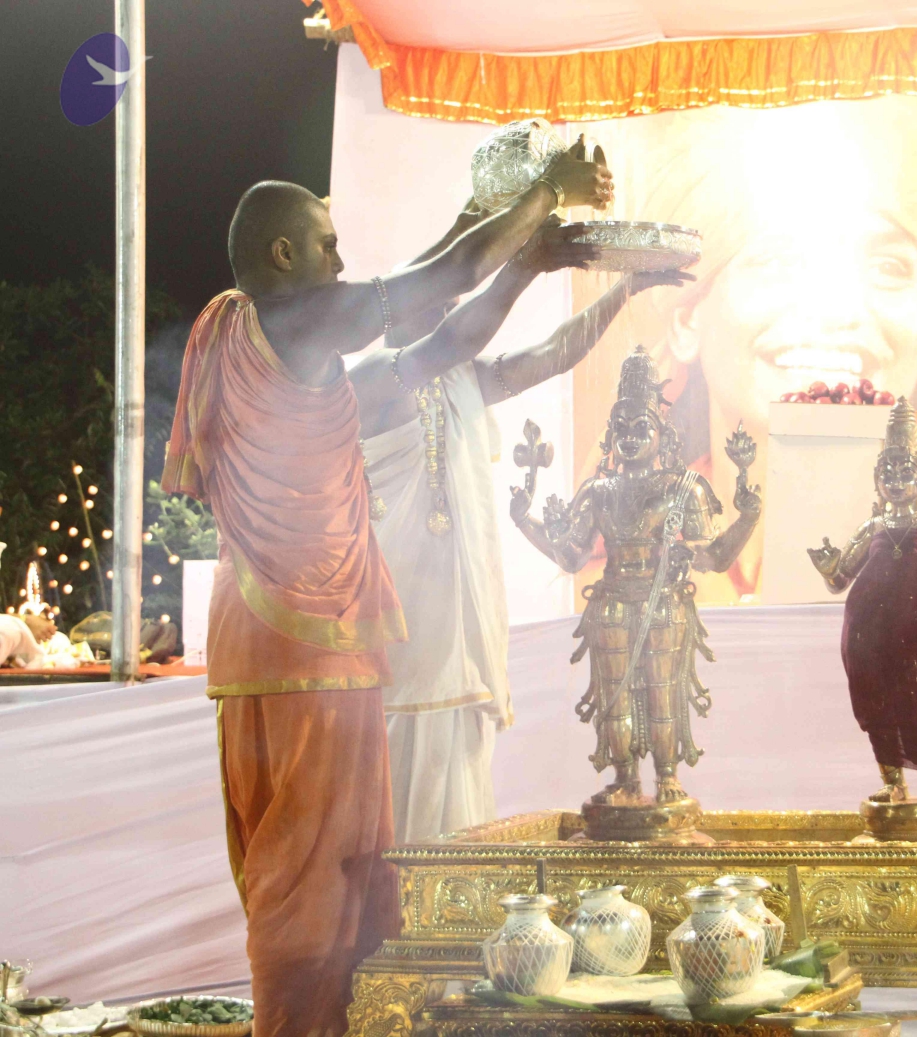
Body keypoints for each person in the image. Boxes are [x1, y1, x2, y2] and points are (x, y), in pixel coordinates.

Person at [160, 142, 612, 1037]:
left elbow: (442, 333)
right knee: (316, 871)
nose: (339, 262)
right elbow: (437, 281)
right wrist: (543, 195)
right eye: (325, 245)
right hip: (312, 651)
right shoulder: (291, 319)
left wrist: (524, 259)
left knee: (300, 861)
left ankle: (324, 1021)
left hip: (262, 647)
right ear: (283, 254)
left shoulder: (272, 353)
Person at [352, 215, 690, 842]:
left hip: (460, 617)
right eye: (443, 303)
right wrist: (526, 261)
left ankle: (450, 898)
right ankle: (397, 902)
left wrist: (624, 290)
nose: (455, 313)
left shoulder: (463, 378)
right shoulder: (375, 376)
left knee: (456, 760)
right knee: (402, 761)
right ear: (402, 312)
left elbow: (553, 354)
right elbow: (466, 337)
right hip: (401, 614)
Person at [578, 97, 917, 602]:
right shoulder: (612, 584)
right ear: (686, 321)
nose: (835, 308)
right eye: (777, 260)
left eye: (887, 268)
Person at [509, 347, 761, 807]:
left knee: (664, 691)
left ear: (663, 433)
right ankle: (625, 778)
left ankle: (667, 776)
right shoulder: (598, 491)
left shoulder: (683, 488)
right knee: (616, 694)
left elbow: (713, 558)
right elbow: (571, 556)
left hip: (664, 604)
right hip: (610, 605)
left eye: (641, 427)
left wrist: (747, 520)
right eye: (621, 429)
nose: (630, 438)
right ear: (610, 435)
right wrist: (525, 522)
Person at [808, 398, 917, 804]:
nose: (896, 481)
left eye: (905, 472)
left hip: (915, 631)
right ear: (877, 480)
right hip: (865, 632)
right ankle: (893, 781)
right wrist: (828, 569)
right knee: (876, 702)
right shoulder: (872, 526)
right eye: (888, 473)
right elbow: (840, 581)